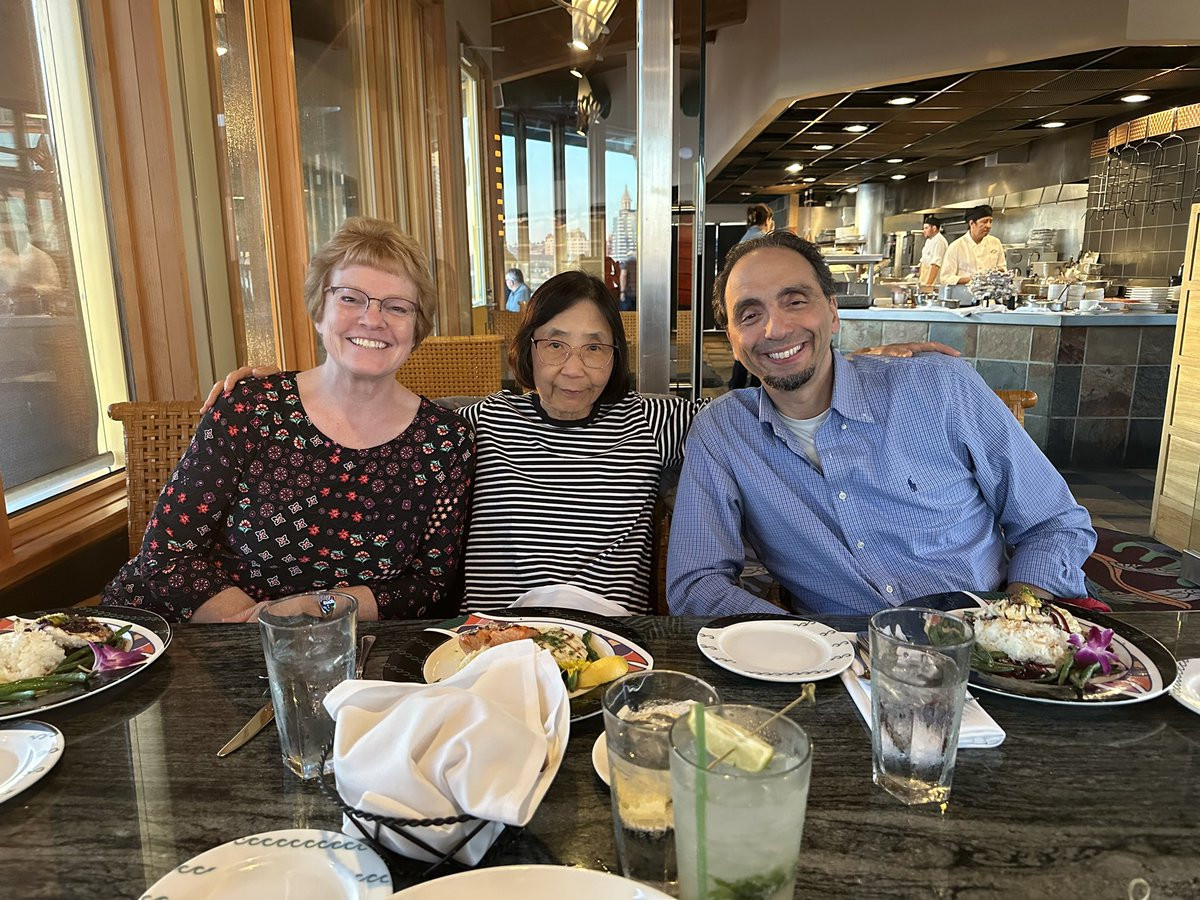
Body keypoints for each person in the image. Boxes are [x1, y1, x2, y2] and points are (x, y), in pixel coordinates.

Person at [667, 230, 1095, 618]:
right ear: (732, 341)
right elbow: (697, 584)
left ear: (833, 312)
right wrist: (807, 644)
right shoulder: (724, 432)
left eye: (795, 301)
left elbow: (1053, 522)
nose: (776, 328)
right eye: (749, 315)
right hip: (841, 658)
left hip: (981, 630)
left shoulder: (938, 385)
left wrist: (1015, 624)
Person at [103, 217, 475, 623]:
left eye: (397, 307)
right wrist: (268, 627)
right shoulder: (251, 408)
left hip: (344, 643)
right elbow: (168, 553)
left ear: (417, 328)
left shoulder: (445, 440)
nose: (372, 319)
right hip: (191, 634)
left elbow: (429, 585)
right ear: (319, 310)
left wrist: (320, 609)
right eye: (350, 298)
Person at [939, 205, 1007, 285]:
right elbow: (945, 278)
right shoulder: (956, 246)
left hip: (991, 291)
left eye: (990, 221)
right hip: (964, 291)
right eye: (984, 222)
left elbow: (1003, 269)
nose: (989, 226)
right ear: (972, 223)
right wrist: (973, 280)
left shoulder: (995, 242)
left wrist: (999, 273)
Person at [918, 214, 948, 287]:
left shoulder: (939, 241)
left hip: (934, 284)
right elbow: (923, 262)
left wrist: (928, 285)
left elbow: (936, 265)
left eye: (926, 228)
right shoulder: (928, 241)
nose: (924, 231)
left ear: (934, 228)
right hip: (924, 281)